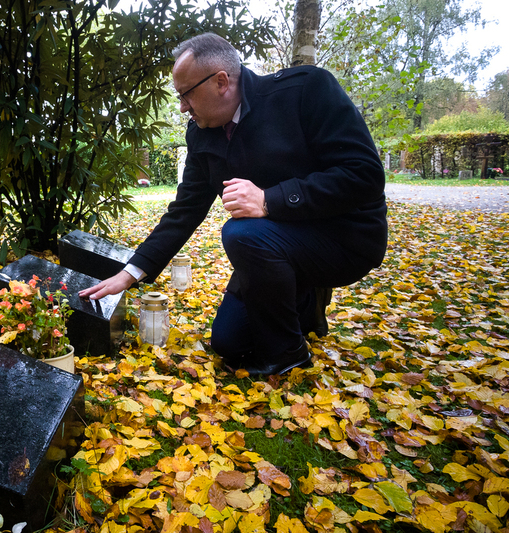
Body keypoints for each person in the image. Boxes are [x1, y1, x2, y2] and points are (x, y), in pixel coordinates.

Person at [79, 33, 387, 376]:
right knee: (229, 343)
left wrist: (269, 199)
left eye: (185, 94)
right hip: (278, 245)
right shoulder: (201, 134)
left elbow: (365, 175)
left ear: (221, 82)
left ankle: (288, 354)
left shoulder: (306, 89)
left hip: (345, 238)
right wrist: (131, 272)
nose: (182, 106)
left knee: (241, 233)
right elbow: (185, 211)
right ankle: (304, 300)